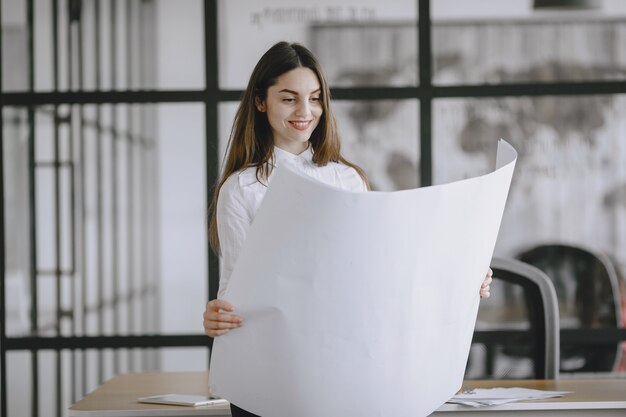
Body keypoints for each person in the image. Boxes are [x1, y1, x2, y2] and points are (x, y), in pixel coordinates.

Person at [203, 41, 493, 417]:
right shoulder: (241, 189)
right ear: (261, 102)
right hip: (271, 370)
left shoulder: (347, 180)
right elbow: (237, 286)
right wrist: (218, 314)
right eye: (289, 99)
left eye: (315, 98)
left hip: (341, 364)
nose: (305, 112)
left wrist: (462, 277)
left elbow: (379, 275)